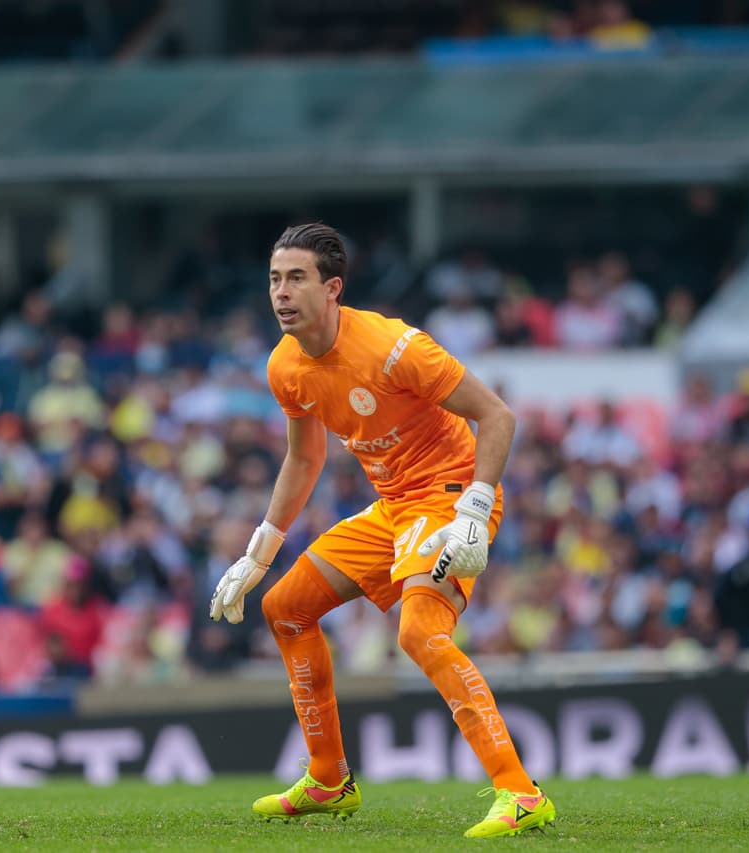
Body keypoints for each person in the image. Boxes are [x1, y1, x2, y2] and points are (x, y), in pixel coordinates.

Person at [208, 224, 556, 837]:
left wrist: (474, 513)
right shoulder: (285, 366)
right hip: (394, 505)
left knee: (420, 632)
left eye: (296, 278)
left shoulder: (397, 348)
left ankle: (520, 793)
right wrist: (257, 554)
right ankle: (328, 780)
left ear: (333, 288)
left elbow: (497, 416)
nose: (280, 293)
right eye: (273, 279)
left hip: (449, 495)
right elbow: (304, 459)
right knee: (285, 607)